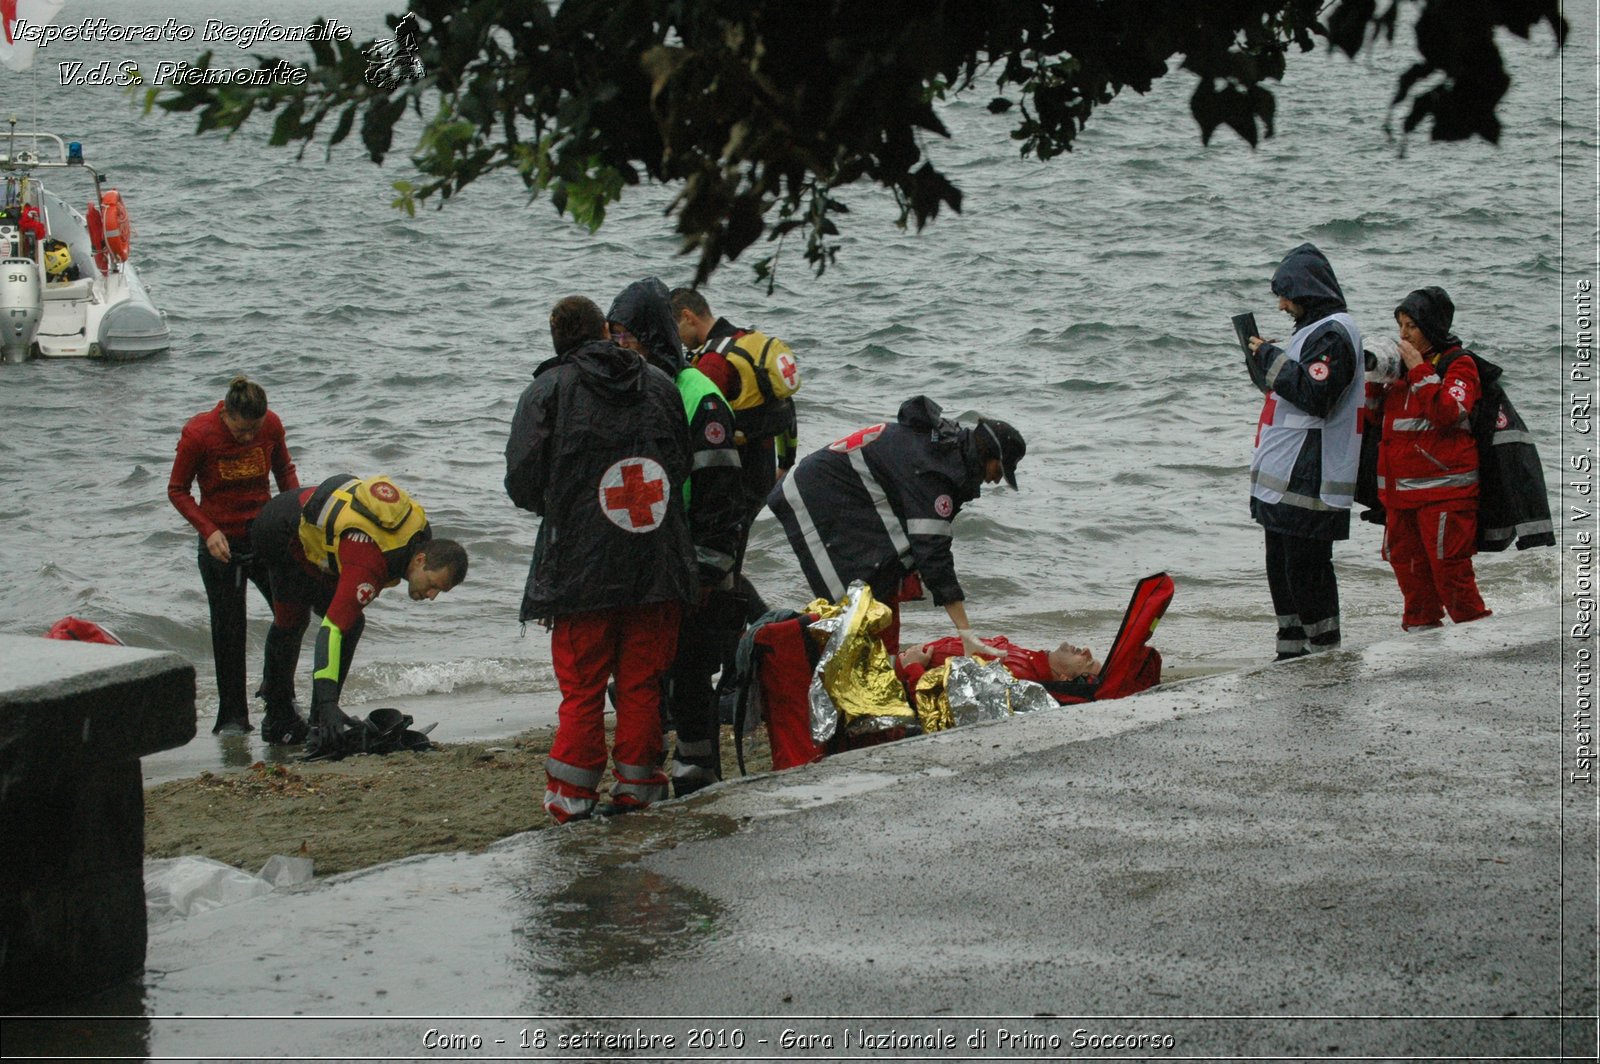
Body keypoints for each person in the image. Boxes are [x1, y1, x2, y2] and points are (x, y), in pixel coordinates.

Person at [505, 294, 697, 822]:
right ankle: (640, 788)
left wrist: (567, 506)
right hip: (656, 561)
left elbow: (521, 481)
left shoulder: (548, 389)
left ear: (555, 336)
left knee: (583, 686)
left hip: (581, 569)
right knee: (641, 681)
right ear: (605, 332)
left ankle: (571, 800)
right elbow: (678, 464)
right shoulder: (660, 383)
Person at [608, 278, 745, 797]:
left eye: (628, 335)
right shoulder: (632, 387)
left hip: (697, 558)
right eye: (613, 335)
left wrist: (709, 566)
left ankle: (699, 767)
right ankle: (656, 765)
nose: (620, 345)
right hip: (651, 556)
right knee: (643, 672)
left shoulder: (698, 397)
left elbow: (720, 489)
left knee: (690, 671)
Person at [768, 395, 1025, 658]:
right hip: (813, 496)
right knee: (853, 607)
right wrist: (966, 632)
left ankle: (875, 669)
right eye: (999, 470)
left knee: (885, 578)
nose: (995, 480)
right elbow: (934, 555)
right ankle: (781, 653)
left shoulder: (947, 448)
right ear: (986, 454)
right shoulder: (935, 470)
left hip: (840, 494)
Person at [251, 474, 467, 754]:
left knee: (350, 620)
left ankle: (318, 722)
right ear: (420, 559)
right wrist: (330, 704)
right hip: (278, 533)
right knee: (295, 619)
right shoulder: (370, 564)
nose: (431, 596)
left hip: (315, 527)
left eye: (440, 592)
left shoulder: (419, 541)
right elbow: (331, 630)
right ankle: (282, 719)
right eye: (433, 586)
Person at [1246, 243, 1363, 659]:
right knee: (1280, 562)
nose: (1280, 304)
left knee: (1306, 565)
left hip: (1312, 471)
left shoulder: (1333, 332)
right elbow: (1292, 386)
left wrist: (1272, 359)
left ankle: (1325, 650)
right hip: (1285, 472)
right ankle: (1291, 649)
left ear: (1306, 291)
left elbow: (1317, 394)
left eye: (1285, 294)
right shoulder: (1312, 334)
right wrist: (1269, 363)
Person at [167, 376, 298, 735]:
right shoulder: (199, 435)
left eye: (253, 431)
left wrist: (297, 514)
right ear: (225, 413)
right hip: (220, 543)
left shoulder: (270, 424)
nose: (247, 438)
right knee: (229, 631)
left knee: (290, 616)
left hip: (266, 535)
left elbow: (284, 471)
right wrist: (207, 531)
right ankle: (233, 718)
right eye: (241, 431)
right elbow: (177, 490)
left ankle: (280, 698)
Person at [1370, 287, 1492, 629]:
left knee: (1450, 574)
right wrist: (1370, 380)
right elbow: (1367, 422)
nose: (1403, 335)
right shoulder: (1399, 374)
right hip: (1400, 494)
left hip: (1445, 492)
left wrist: (1420, 370)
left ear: (1432, 327)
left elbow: (1450, 412)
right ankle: (1422, 645)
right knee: (1409, 574)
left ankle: (1480, 642)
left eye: (1411, 326)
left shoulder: (1459, 364)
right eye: (1400, 326)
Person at [895, 636, 1100, 688]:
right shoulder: (1031, 660)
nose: (1087, 651)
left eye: (1087, 662)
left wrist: (913, 667)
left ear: (1064, 678)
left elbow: (945, 704)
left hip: (894, 674)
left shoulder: (1019, 679)